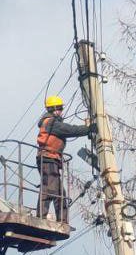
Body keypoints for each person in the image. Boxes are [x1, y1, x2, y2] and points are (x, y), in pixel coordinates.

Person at [36, 95, 95, 224]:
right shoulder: (50, 123)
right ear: (55, 109)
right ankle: (41, 218)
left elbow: (67, 130)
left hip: (52, 158)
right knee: (50, 188)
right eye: (60, 109)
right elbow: (69, 130)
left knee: (59, 192)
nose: (61, 112)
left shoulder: (52, 123)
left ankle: (62, 221)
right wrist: (87, 129)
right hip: (48, 158)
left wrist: (87, 130)